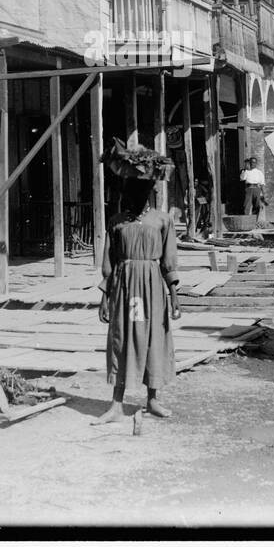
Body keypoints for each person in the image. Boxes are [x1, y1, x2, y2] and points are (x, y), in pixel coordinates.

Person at [95, 168, 181, 424]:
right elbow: (109, 262)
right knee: (124, 336)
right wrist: (104, 297)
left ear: (150, 193)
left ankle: (152, 400)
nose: (137, 197)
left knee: (154, 336)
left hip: (152, 287)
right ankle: (116, 404)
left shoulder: (162, 220)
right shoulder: (117, 222)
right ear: (126, 193)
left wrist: (174, 294)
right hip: (126, 289)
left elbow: (169, 260)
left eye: (142, 191)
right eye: (132, 192)